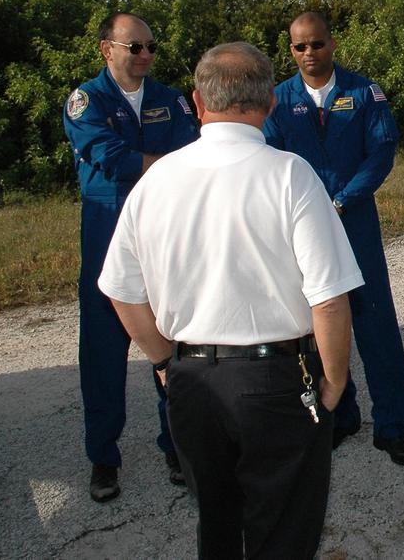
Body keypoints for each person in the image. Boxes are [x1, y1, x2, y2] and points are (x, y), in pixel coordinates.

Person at [99, 42, 362, 559]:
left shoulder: (156, 181)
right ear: (270, 105)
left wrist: (162, 361)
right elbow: (328, 298)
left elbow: (123, 293)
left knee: (217, 523)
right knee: (283, 529)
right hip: (275, 381)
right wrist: (333, 382)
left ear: (197, 102)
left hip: (192, 384)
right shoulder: (289, 174)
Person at [262, 13, 404, 466]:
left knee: (375, 323)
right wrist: (307, 209)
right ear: (289, 50)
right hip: (302, 226)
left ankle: (393, 428)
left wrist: (344, 199)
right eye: (299, 47)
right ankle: (338, 416)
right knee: (316, 327)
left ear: (332, 44)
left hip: (353, 220)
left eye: (316, 44)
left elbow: (382, 151)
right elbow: (269, 159)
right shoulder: (277, 100)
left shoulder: (364, 93)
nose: (308, 54)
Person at [63, 12, 198, 502]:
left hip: (163, 234)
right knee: (103, 352)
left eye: (150, 47)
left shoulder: (170, 99)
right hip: (107, 227)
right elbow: (108, 154)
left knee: (171, 343)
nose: (144, 55)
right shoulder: (86, 100)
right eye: (134, 47)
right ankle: (103, 457)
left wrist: (167, 171)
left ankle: (175, 445)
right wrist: (168, 169)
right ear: (107, 49)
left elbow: (193, 147)